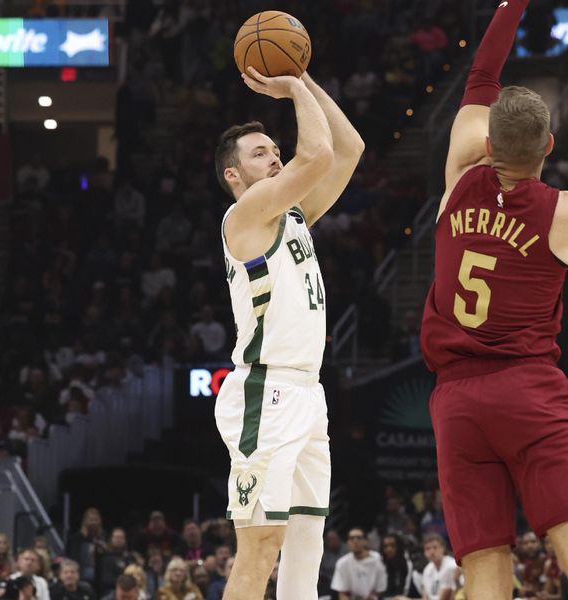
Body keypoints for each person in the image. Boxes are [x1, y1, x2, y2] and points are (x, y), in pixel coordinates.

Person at [418, 1, 568, 598]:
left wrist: (512, 4)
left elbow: (482, 75)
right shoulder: (563, 210)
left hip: (455, 402)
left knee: (484, 570)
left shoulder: (457, 174)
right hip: (527, 390)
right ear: (549, 144)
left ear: (486, 141)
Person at [213, 56, 364, 600]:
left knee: (306, 547)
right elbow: (318, 153)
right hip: (265, 391)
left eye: (277, 152)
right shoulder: (245, 217)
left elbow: (348, 150)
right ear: (235, 175)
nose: (275, 159)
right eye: (260, 154)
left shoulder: (293, 216)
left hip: (307, 392)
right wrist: (292, 88)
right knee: (260, 549)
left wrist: (304, 80)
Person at [330, 529, 387, 600]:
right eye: (351, 538)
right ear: (347, 542)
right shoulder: (342, 563)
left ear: (366, 541)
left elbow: (381, 589)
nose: (355, 541)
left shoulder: (378, 559)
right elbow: (342, 593)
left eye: (359, 538)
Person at [420, 534, 456, 600]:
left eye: (435, 547)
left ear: (443, 548)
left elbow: (446, 597)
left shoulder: (451, 566)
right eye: (428, 549)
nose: (431, 552)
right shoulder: (427, 569)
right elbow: (425, 596)